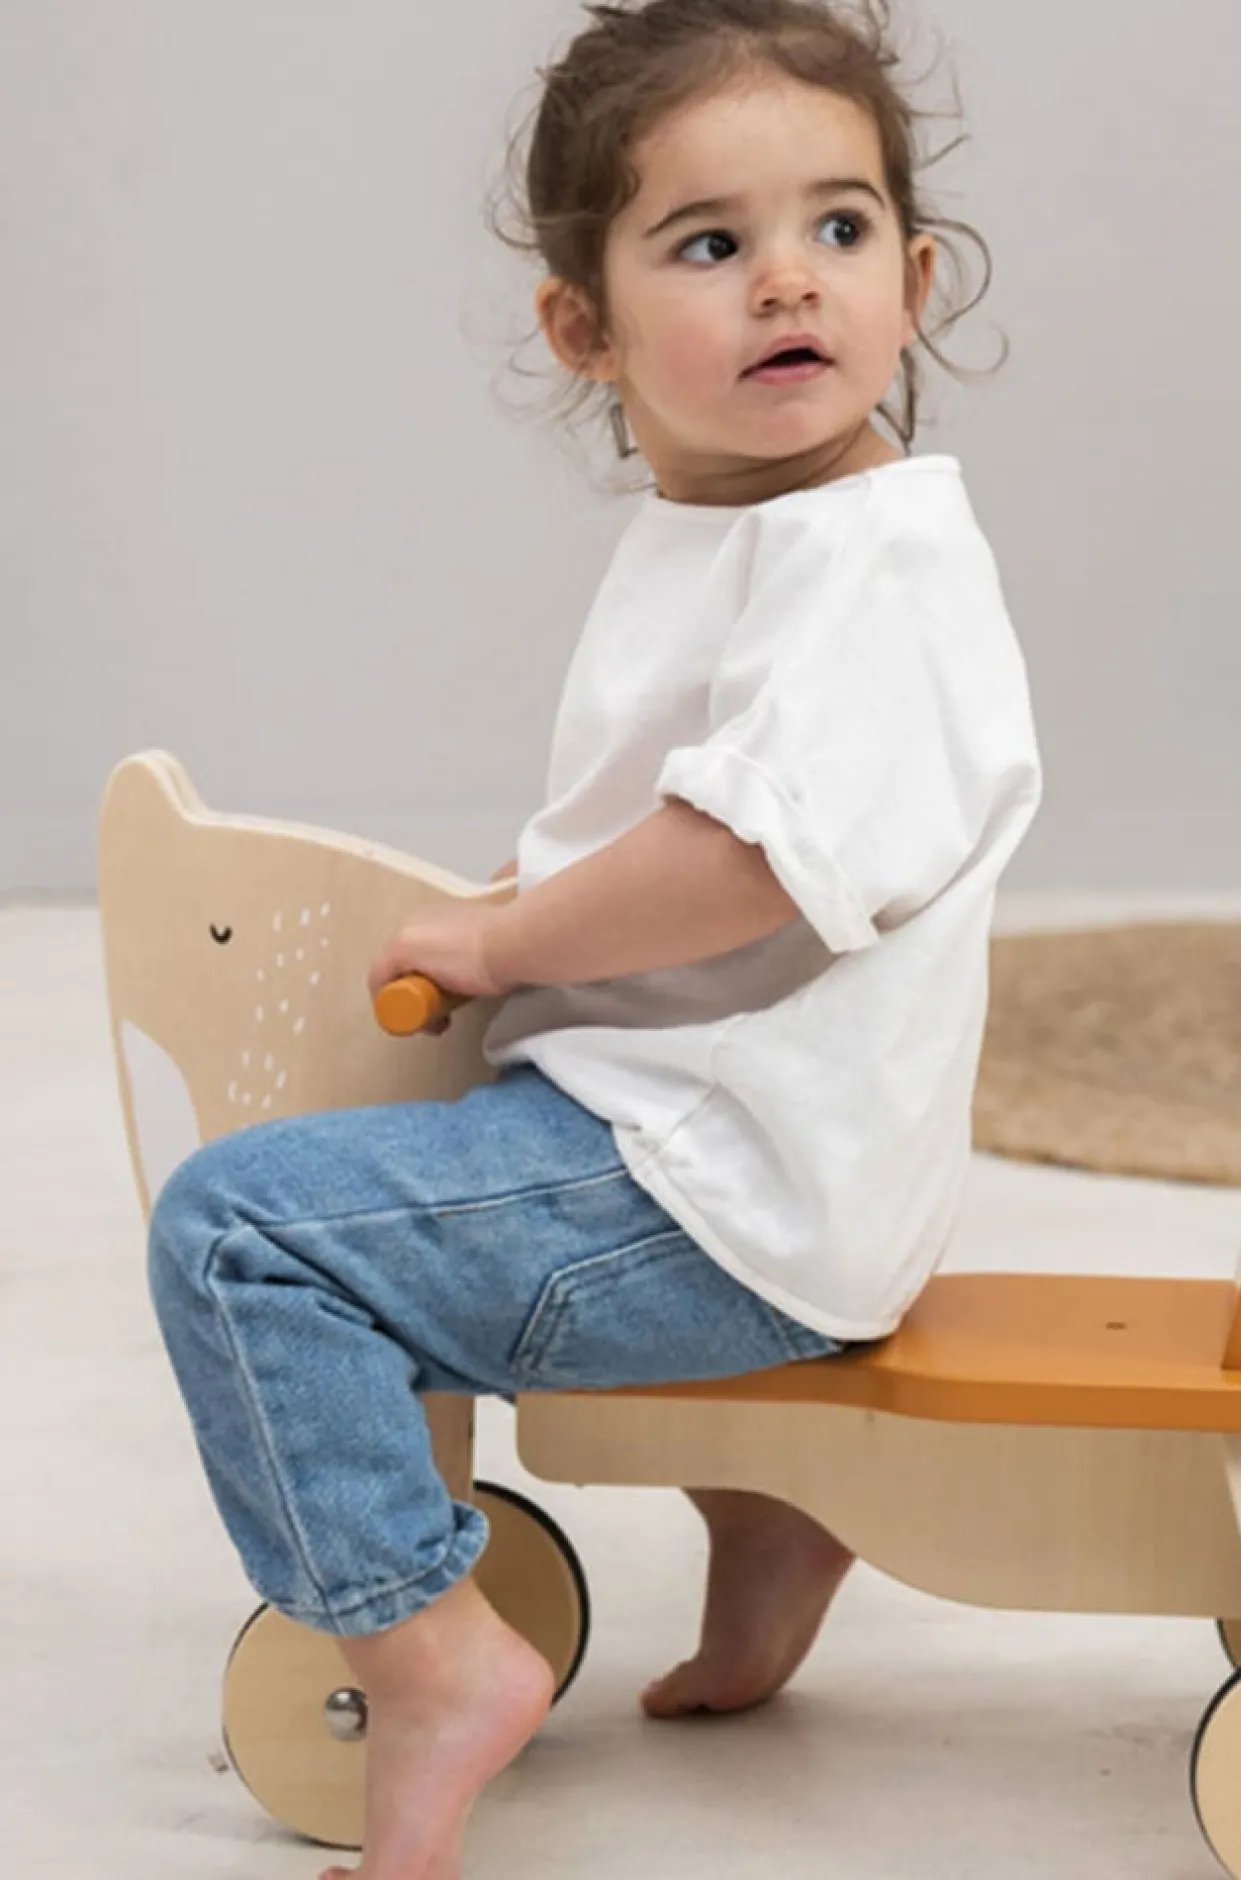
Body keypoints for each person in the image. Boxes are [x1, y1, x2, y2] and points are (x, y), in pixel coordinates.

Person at [144, 3, 1043, 1875]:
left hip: (714, 1190)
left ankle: (426, 1655)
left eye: (841, 227)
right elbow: (660, 831)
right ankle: (771, 1517)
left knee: (240, 1233)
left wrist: (502, 943)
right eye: (711, 243)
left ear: (914, 279)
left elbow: (741, 864)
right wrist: (524, 909)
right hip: (733, 1158)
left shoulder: (875, 564)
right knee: (423, 1131)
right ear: (588, 329)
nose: (788, 279)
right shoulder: (745, 533)